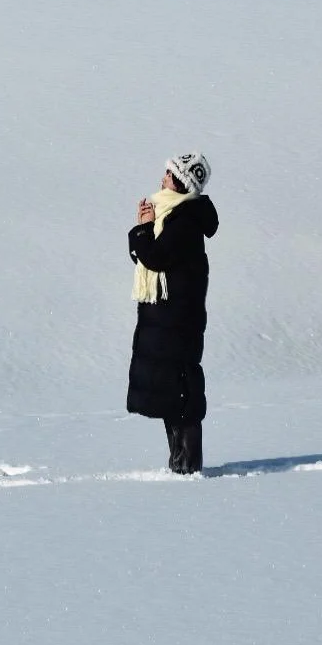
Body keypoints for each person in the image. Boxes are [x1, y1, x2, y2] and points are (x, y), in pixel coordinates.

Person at [126, 152, 218, 474]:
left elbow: (156, 257)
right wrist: (145, 230)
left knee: (182, 392)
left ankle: (189, 465)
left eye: (168, 174)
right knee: (171, 391)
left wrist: (144, 230)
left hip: (178, 320)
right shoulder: (173, 215)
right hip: (166, 317)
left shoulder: (186, 220)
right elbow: (149, 258)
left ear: (181, 183)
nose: (163, 177)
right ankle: (178, 463)